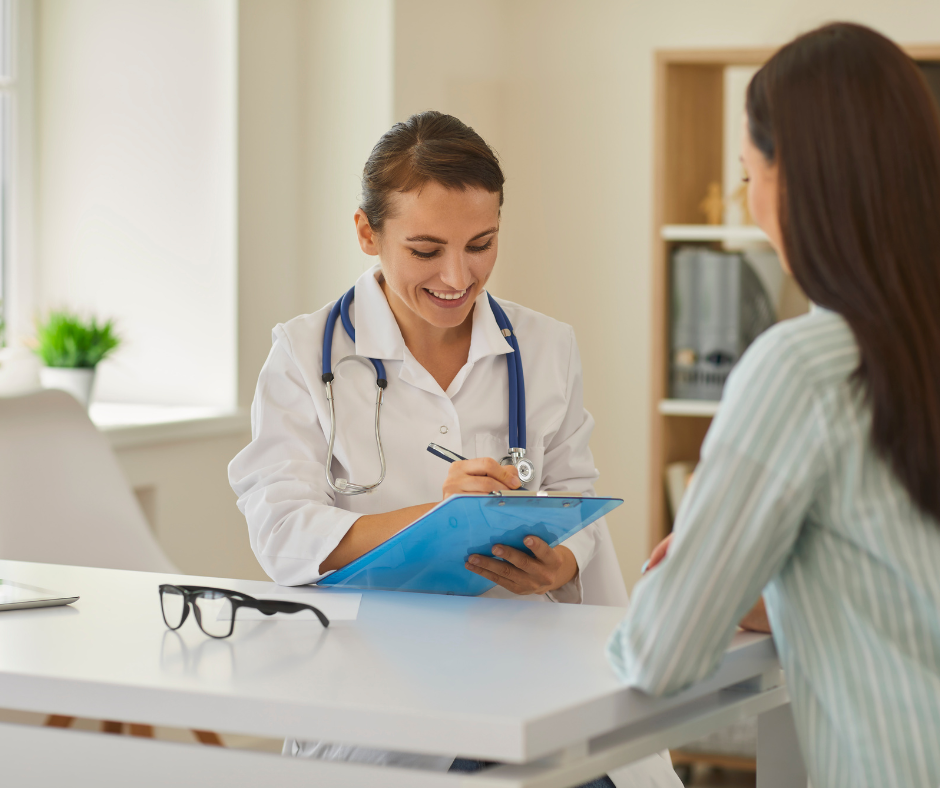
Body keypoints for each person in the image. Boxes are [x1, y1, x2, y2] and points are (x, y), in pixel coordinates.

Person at [230, 111, 681, 787]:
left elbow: (574, 494)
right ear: (366, 232)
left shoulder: (544, 344)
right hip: (381, 686)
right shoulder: (303, 353)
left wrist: (556, 564)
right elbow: (282, 528)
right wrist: (435, 521)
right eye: (425, 249)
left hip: (533, 667)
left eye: (482, 244)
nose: (457, 275)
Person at [607, 22, 940, 788]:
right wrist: (791, 589)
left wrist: (687, 576)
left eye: (747, 172)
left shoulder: (803, 369)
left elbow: (661, 654)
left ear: (795, 182)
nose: (747, 198)